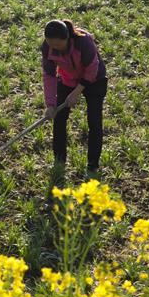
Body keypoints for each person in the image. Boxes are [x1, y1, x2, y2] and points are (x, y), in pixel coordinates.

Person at [41, 19, 108, 179]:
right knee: (58, 118)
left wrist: (77, 92)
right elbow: (49, 76)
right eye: (51, 45)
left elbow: (92, 69)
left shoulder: (83, 41)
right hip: (67, 79)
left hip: (94, 80)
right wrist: (50, 104)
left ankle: (92, 166)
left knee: (94, 121)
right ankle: (59, 161)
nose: (54, 49)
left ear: (67, 39)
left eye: (58, 45)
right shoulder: (47, 47)